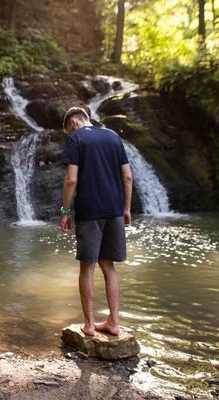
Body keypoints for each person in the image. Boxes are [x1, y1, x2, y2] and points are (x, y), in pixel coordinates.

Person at [59, 107, 133, 336]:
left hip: (89, 210)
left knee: (87, 267)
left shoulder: (75, 138)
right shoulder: (113, 135)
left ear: (73, 122)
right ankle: (114, 323)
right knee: (109, 266)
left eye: (68, 129)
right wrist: (127, 208)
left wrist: (65, 211)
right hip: (114, 210)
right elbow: (128, 176)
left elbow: (71, 179)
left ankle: (89, 325)